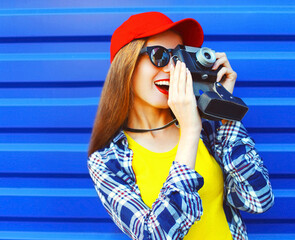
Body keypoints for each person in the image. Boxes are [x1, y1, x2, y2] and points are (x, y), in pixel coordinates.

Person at [87, 12, 274, 240]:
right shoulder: (107, 161)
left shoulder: (210, 132)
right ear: (126, 66)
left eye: (178, 58)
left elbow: (258, 199)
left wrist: (225, 107)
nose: (171, 69)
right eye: (159, 55)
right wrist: (189, 131)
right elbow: (154, 235)